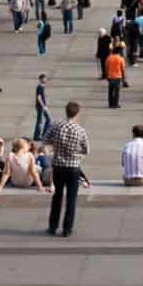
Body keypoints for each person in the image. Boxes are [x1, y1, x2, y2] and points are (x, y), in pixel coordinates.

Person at [46, 100, 89, 237]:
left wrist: (56, 147)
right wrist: (76, 152)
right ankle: (67, 228)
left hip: (58, 165)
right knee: (71, 199)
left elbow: (45, 139)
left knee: (57, 196)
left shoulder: (56, 125)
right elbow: (86, 149)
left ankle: (53, 226)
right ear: (77, 114)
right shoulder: (80, 130)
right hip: (73, 167)